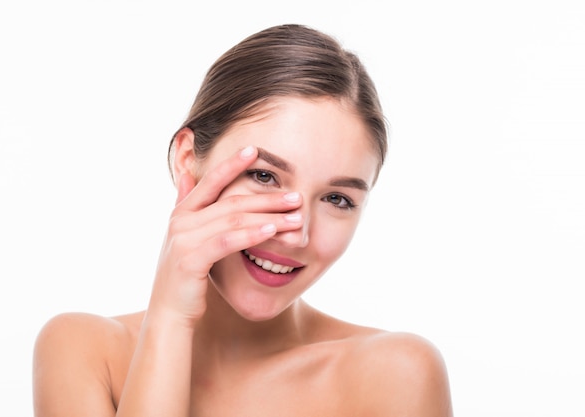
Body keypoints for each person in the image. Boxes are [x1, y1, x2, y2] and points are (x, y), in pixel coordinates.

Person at [32, 23, 453, 416]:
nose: (296, 234)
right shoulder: (84, 351)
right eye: (264, 176)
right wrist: (169, 320)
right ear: (186, 160)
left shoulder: (395, 373)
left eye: (337, 199)